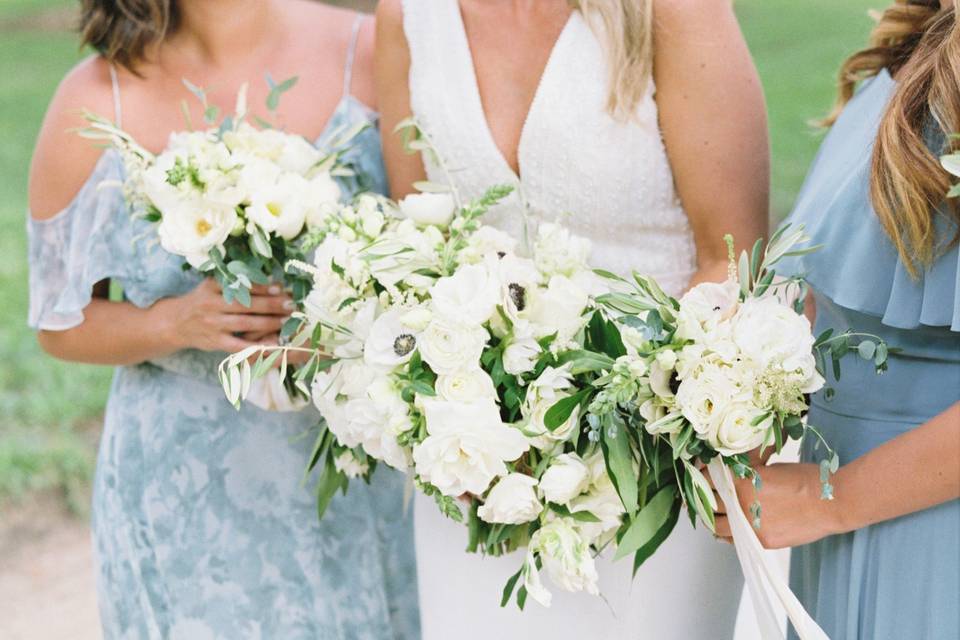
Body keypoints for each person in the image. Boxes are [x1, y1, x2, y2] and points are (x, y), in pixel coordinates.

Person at [375, 0, 769, 637]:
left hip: (652, 472)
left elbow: (733, 258)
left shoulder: (671, 11)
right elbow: (417, 255)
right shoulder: (408, 17)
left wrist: (596, 430)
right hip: (475, 475)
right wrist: (471, 426)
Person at [27, 1, 418, 637]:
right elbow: (57, 324)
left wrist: (345, 326)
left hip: (355, 466)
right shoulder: (95, 101)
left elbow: (429, 252)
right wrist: (175, 323)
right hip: (182, 497)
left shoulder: (372, 51)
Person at [713, 1, 960, 638]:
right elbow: (844, 277)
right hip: (845, 526)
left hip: (929, 535)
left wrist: (834, 500)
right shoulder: (916, 44)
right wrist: (745, 400)